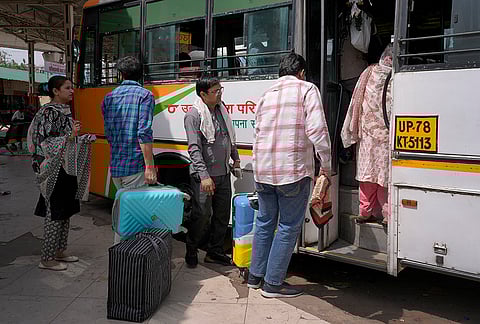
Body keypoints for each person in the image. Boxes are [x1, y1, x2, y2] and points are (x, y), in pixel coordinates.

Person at [248, 53, 331, 298]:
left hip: (262, 171)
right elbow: (318, 132)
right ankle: (273, 284)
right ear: (301, 72)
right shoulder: (306, 90)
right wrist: (325, 164)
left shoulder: (266, 95)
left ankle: (255, 277)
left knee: (264, 223)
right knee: (287, 226)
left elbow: (258, 133)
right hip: (292, 172)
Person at [27, 76, 94, 271]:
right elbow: (43, 143)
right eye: (67, 88)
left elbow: (66, 139)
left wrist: (80, 138)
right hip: (54, 170)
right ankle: (47, 258)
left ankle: (59, 250)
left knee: (65, 211)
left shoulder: (64, 112)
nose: (72, 91)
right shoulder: (48, 112)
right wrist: (71, 136)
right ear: (55, 91)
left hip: (66, 167)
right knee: (55, 212)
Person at [183, 76, 240, 268]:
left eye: (220, 89)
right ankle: (191, 250)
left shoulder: (221, 109)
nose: (220, 93)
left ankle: (214, 251)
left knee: (223, 215)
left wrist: (236, 159)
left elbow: (229, 137)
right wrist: (204, 176)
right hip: (204, 178)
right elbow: (194, 149)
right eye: (216, 91)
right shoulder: (193, 115)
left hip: (223, 173)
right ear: (203, 94)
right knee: (202, 216)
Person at [101, 56, 157, 243]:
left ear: (121, 74)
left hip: (116, 166)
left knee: (125, 211)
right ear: (141, 73)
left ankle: (124, 258)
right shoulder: (145, 96)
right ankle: (124, 260)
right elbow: (143, 132)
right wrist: (150, 166)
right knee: (133, 217)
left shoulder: (108, 98)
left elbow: (108, 133)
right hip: (135, 166)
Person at [341, 44, 393, 225]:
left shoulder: (369, 73)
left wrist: (352, 129)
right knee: (384, 177)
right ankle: (387, 214)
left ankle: (365, 211)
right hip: (388, 135)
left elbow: (356, 99)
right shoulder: (397, 77)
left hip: (368, 133)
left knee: (367, 175)